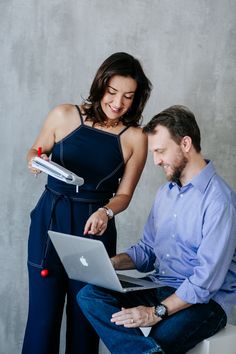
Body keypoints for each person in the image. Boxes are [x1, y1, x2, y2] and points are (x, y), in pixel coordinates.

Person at [77, 105, 236, 354]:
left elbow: (205, 282)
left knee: (159, 335)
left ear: (185, 144)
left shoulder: (220, 201)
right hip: (159, 286)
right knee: (90, 296)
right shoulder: (165, 193)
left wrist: (154, 313)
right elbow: (148, 249)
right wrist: (112, 263)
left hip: (206, 303)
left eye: (160, 151)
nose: (156, 161)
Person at [22, 52, 152, 354]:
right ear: (100, 84)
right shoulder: (64, 115)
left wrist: (106, 212)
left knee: (86, 321)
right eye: (112, 92)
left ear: (137, 99)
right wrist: (34, 161)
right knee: (42, 319)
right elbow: (35, 149)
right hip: (49, 222)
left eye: (128, 97)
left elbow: (125, 194)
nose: (118, 103)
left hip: (95, 226)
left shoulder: (135, 137)